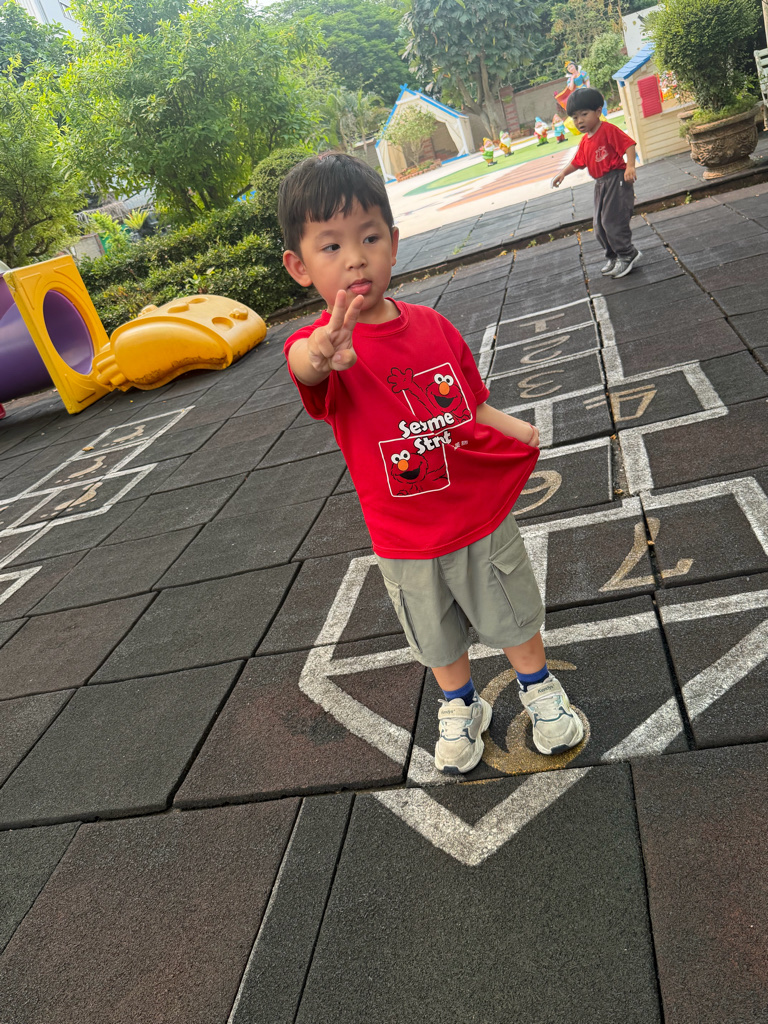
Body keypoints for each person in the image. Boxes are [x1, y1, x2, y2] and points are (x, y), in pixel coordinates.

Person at [279, 153, 584, 774]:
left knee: (512, 611)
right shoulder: (320, 348)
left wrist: (516, 429)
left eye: (369, 238)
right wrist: (321, 350)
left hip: (476, 515)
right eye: (331, 246)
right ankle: (460, 702)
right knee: (436, 633)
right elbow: (304, 367)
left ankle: (538, 687)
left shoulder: (433, 327)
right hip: (404, 537)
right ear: (300, 267)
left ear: (393, 243)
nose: (355, 259)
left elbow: (470, 405)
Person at [551, 88, 642, 279]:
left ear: (598, 111)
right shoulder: (585, 141)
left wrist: (630, 167)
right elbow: (578, 161)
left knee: (612, 221)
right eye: (575, 117)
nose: (580, 121)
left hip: (616, 179)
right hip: (601, 184)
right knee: (599, 225)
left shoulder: (608, 130)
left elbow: (629, 145)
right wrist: (563, 173)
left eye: (584, 114)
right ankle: (614, 256)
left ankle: (627, 254)